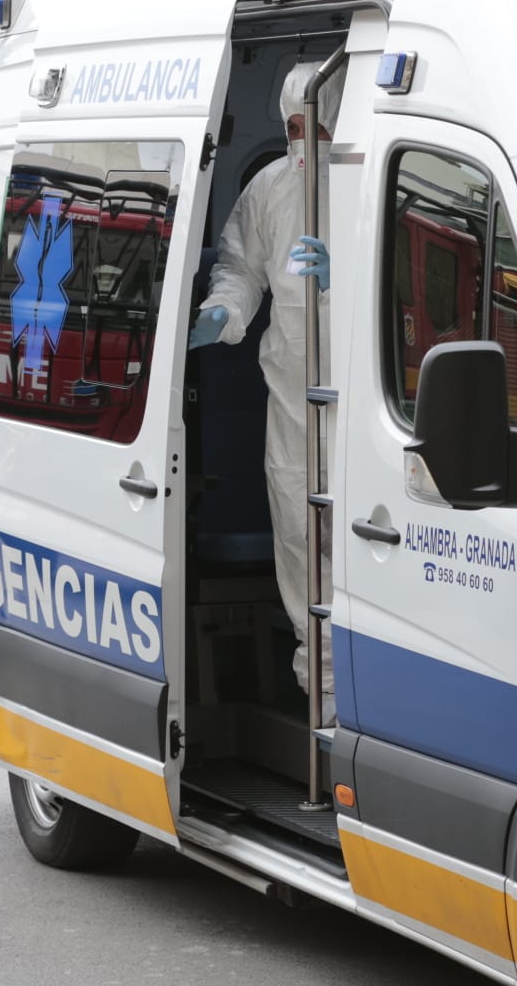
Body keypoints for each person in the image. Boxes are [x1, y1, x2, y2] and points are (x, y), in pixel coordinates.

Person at [189, 60, 343, 709]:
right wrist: (223, 313)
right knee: (299, 538)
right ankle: (321, 694)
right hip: (290, 391)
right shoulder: (271, 188)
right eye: (293, 126)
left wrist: (347, 283)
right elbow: (241, 266)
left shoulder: (379, 181)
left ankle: (360, 693)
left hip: (365, 396)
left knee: (359, 541)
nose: (302, 139)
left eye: (315, 125)